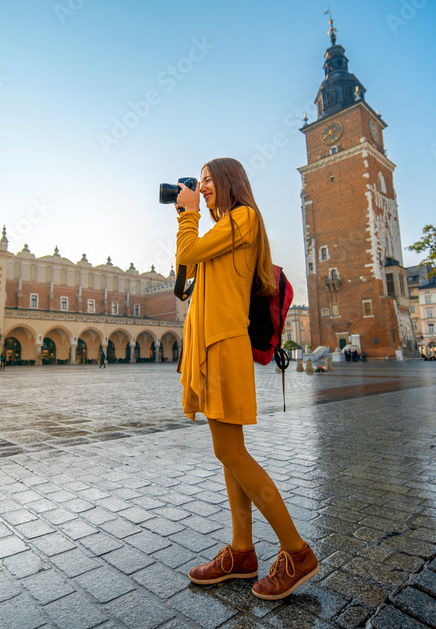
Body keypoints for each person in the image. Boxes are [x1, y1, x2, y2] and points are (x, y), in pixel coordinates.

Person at [176, 157, 318, 601]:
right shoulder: (225, 229)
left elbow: (187, 252)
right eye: (196, 184)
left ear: (228, 181)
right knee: (228, 452)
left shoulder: (244, 217)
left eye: (206, 181)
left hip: (224, 344)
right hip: (211, 344)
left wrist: (188, 214)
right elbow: (187, 274)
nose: (201, 188)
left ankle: (297, 553)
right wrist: (191, 217)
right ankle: (241, 551)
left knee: (231, 451)